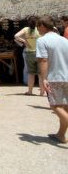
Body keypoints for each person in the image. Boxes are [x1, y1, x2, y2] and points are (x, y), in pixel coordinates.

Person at [35, 15, 68, 144]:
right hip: (66, 76)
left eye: (38, 26)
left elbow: (43, 60)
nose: (37, 29)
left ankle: (61, 134)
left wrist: (44, 79)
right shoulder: (65, 40)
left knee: (55, 106)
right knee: (64, 107)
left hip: (54, 77)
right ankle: (61, 135)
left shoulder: (42, 41)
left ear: (42, 26)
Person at [14, 17, 42, 96]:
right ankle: (42, 92)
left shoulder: (26, 29)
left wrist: (24, 41)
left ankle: (30, 91)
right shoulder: (39, 29)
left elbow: (16, 36)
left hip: (29, 53)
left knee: (31, 73)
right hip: (39, 53)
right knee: (41, 74)